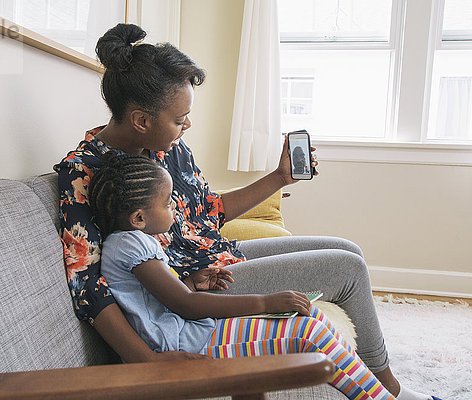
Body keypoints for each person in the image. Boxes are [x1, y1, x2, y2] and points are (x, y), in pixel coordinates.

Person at [54, 23, 440, 400]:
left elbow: (208, 212)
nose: (187, 124)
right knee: (346, 267)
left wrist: (279, 178)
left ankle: (378, 379)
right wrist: (150, 363)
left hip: (213, 261)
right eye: (178, 118)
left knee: (346, 248)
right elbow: (89, 288)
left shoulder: (167, 147)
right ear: (142, 120)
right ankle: (391, 389)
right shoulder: (83, 173)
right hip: (190, 287)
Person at [89, 151, 396, 400]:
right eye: (169, 203)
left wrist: (191, 281)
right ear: (139, 218)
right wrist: (266, 302)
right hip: (184, 346)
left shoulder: (131, 240)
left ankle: (379, 392)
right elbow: (185, 305)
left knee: (310, 317)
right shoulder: (130, 244)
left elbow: (158, 299)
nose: (174, 210)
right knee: (308, 334)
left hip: (191, 333)